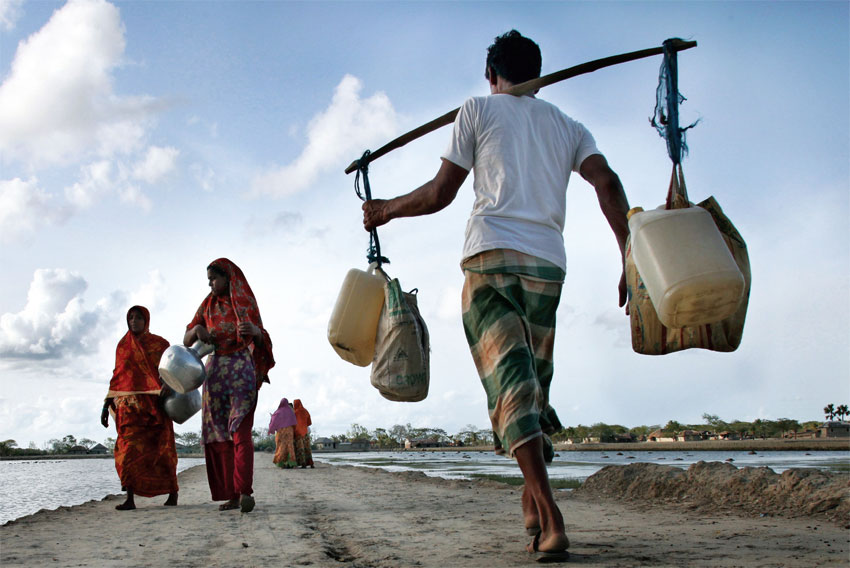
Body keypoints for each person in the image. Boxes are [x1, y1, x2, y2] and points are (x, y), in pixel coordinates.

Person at [362, 30, 630, 562]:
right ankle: (532, 502)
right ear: (536, 72)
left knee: (511, 386)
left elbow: (441, 194)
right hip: (548, 268)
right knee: (529, 388)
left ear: (491, 75)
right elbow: (608, 182)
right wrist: (629, 252)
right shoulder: (568, 126)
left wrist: (385, 209)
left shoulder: (478, 110)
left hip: (490, 260)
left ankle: (551, 518)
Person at [183, 258, 274, 513]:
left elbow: (262, 336)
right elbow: (186, 338)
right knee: (220, 436)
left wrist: (255, 331)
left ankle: (245, 491)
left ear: (228, 277)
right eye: (209, 280)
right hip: (214, 375)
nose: (211, 284)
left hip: (241, 370)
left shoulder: (244, 302)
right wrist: (199, 329)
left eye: (214, 278)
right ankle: (233, 496)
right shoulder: (207, 305)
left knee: (240, 432)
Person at [101, 305, 178, 510]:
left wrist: (169, 386)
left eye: (138, 318)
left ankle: (173, 493)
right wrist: (105, 404)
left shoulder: (160, 345)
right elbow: (118, 376)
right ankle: (130, 499)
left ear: (146, 320)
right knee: (127, 452)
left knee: (162, 450)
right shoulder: (123, 346)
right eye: (131, 318)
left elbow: (171, 370)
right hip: (128, 408)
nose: (134, 321)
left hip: (155, 407)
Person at [269, 398, 297, 468]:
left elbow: (274, 420)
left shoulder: (278, 412)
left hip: (281, 431)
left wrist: (271, 429)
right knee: (290, 446)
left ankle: (282, 464)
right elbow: (294, 421)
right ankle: (292, 463)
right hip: (289, 431)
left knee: (281, 446)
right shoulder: (290, 411)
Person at [293, 399, 314, 468]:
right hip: (305, 432)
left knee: (300, 449)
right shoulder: (305, 411)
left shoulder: (295, 413)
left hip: (298, 433)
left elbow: (292, 423)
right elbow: (309, 422)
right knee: (307, 448)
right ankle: (311, 463)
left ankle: (303, 464)